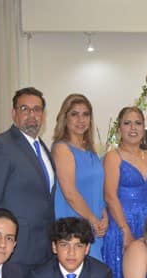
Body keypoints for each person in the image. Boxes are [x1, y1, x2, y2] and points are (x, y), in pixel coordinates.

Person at [0, 87, 55, 277]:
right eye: (24, 109)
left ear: (43, 115)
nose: (31, 115)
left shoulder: (43, 148)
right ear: (13, 113)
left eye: (36, 110)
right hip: (15, 249)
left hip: (43, 247)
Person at [102, 106, 147, 278]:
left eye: (138, 123)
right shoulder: (113, 156)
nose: (133, 128)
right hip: (122, 223)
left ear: (144, 128)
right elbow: (110, 195)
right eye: (127, 123)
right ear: (119, 129)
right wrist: (125, 230)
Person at [52, 93, 108, 259]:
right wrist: (93, 220)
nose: (80, 119)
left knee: (94, 277)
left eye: (85, 114)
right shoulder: (62, 149)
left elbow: (97, 189)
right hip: (74, 224)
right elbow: (70, 193)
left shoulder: (91, 151)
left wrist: (104, 216)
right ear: (65, 118)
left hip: (95, 224)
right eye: (74, 114)